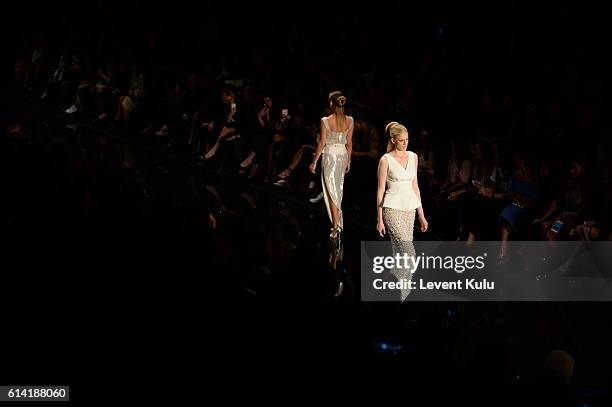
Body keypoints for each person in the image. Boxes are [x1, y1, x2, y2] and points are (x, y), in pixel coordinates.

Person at [376, 122, 428, 301]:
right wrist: (379, 218)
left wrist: (421, 214)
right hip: (391, 209)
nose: (405, 143)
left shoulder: (413, 157)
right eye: (401, 140)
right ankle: (398, 294)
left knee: (400, 255)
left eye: (407, 140)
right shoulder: (386, 159)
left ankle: (400, 296)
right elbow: (381, 189)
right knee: (409, 253)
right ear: (393, 140)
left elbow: (416, 186)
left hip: (409, 209)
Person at [309, 91, 353, 239]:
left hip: (330, 157)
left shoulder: (325, 120)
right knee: (336, 190)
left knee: (331, 191)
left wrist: (314, 161)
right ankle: (337, 223)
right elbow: (350, 143)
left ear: (331, 103)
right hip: (342, 156)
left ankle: (336, 226)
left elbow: (322, 143)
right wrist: (349, 160)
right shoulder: (350, 120)